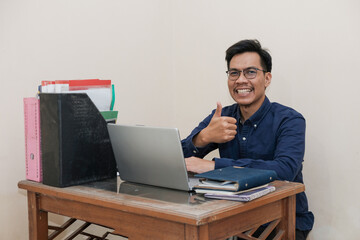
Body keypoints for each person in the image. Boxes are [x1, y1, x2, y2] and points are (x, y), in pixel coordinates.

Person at [181, 39, 314, 240]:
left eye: (250, 72)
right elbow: (178, 158)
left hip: (282, 220)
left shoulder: (289, 119)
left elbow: (285, 169)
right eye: (234, 73)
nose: (241, 80)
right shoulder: (222, 116)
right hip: (231, 217)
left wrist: (214, 166)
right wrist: (204, 137)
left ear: (267, 78)